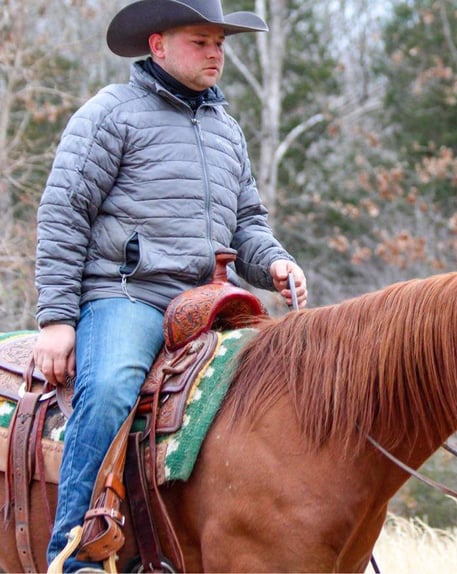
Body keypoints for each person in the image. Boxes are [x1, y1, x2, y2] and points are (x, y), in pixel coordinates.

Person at [33, 0, 308, 570]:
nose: (215, 54)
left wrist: (276, 263)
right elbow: (64, 213)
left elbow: (247, 225)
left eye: (220, 44)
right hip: (127, 293)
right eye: (200, 42)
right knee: (109, 387)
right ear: (158, 45)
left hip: (212, 299)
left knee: (289, 388)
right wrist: (58, 320)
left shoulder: (226, 129)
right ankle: (75, 549)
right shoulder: (111, 113)